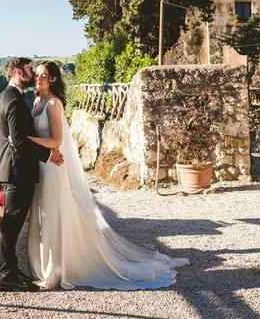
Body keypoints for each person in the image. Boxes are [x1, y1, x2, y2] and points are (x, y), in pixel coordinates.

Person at [25, 61, 189, 290]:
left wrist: (27, 141)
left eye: (44, 75)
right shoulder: (36, 101)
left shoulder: (53, 104)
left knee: (53, 214)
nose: (39, 79)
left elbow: (56, 141)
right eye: (37, 75)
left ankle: (56, 270)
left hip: (53, 168)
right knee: (42, 214)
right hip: (40, 166)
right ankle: (42, 266)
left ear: (52, 78)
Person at [0, 56, 64, 292]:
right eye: (28, 69)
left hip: (13, 170)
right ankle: (8, 276)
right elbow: (19, 143)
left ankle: (12, 272)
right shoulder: (13, 101)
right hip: (17, 171)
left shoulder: (5, 96)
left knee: (11, 224)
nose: (32, 74)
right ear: (17, 72)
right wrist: (48, 155)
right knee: (10, 225)